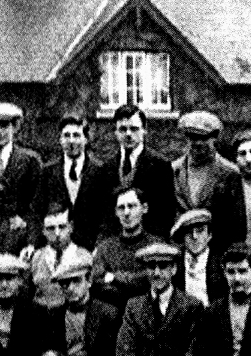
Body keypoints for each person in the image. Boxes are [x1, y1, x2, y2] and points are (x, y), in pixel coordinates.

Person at [44, 253, 121, 356]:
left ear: (89, 281)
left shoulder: (107, 314)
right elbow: (51, 355)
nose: (71, 288)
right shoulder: (56, 315)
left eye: (76, 281)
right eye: (65, 284)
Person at [34, 113, 110, 251]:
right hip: (56, 247)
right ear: (60, 139)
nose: (71, 141)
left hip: (91, 248)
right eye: (66, 135)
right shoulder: (48, 171)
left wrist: (101, 247)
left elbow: (106, 216)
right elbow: (38, 212)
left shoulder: (100, 171)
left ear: (85, 139)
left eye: (76, 135)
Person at [106, 104, 175, 237]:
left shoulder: (160, 166)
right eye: (122, 129)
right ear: (115, 132)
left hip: (150, 244)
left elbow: (166, 214)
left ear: (144, 130)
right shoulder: (107, 167)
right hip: (117, 246)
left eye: (134, 129)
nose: (128, 134)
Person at [90, 183, 156, 310]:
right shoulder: (105, 248)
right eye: (121, 207)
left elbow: (152, 280)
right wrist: (135, 284)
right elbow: (97, 282)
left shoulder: (155, 245)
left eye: (132, 206)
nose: (126, 213)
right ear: (116, 212)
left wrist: (114, 277)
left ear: (144, 208)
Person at [171, 111, 236, 215]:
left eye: (204, 138)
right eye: (193, 137)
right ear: (186, 138)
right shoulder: (173, 170)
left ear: (214, 138)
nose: (198, 143)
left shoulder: (230, 172)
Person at [28, 204, 87, 311]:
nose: (57, 233)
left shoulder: (84, 257)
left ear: (71, 227)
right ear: (43, 231)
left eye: (62, 227)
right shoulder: (36, 257)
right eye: (51, 228)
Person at [172, 208, 224, 307]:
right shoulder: (175, 262)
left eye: (200, 231)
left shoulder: (220, 262)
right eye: (189, 232)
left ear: (209, 235)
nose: (194, 236)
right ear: (183, 237)